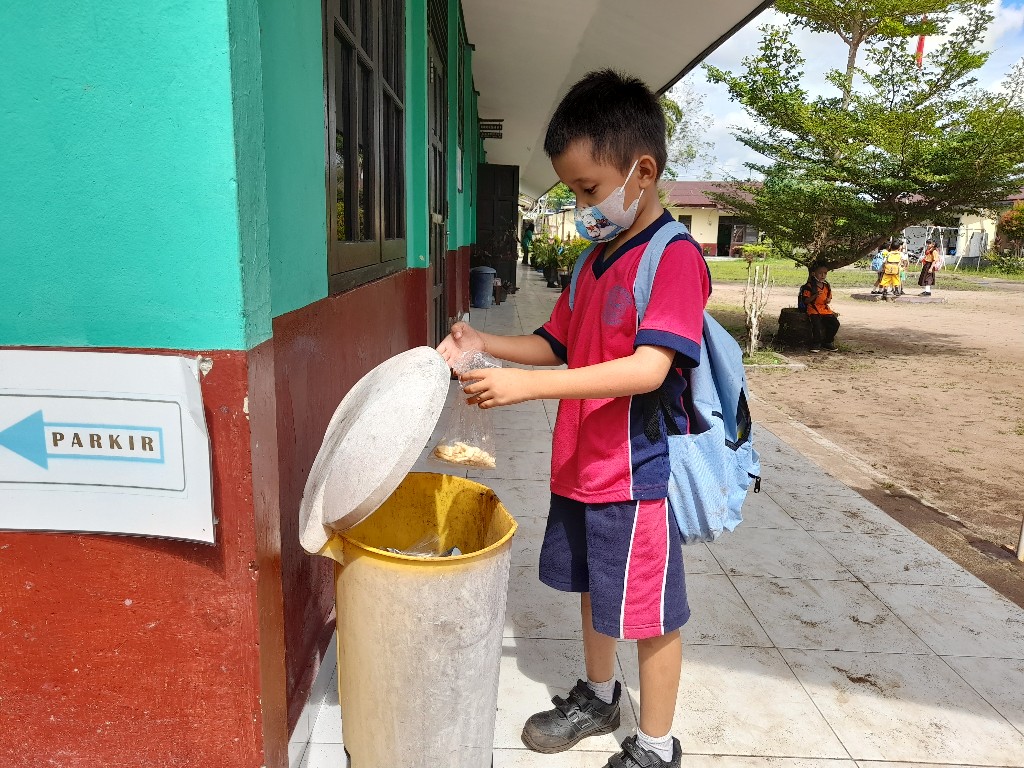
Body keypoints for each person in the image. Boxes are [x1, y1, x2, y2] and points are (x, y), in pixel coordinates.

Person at [437, 69, 706, 768]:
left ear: (641, 171)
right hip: (579, 467)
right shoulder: (593, 262)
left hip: (634, 473)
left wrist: (528, 390)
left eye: (589, 189)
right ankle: (597, 693)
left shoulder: (671, 259)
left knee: (649, 611)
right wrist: (485, 345)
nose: (584, 206)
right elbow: (555, 343)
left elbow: (649, 369)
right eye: (575, 192)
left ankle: (657, 744)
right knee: (594, 589)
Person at [800, 266, 840, 352]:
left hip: (825, 309)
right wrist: (814, 296)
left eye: (825, 273)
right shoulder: (809, 286)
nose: (823, 275)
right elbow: (806, 301)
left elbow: (829, 298)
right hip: (813, 309)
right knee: (816, 325)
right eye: (820, 273)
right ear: (813, 274)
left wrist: (828, 300)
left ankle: (828, 342)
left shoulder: (826, 286)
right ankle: (816, 344)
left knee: (835, 324)